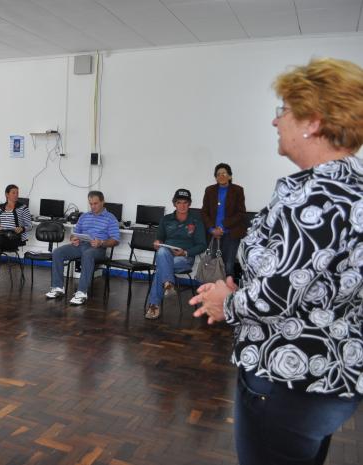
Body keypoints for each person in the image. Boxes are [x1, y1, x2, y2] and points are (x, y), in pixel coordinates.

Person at [191, 57, 363, 465]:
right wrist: (236, 282)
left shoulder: (315, 195)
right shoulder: (351, 185)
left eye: (283, 110)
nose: (275, 121)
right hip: (330, 374)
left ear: (314, 121)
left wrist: (225, 302)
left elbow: (282, 289)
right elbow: (305, 274)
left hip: (288, 376)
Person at [45, 191, 119, 305]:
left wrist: (101, 242)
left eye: (96, 203)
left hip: (98, 249)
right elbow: (74, 233)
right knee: (57, 252)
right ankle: (58, 288)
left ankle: (81, 292)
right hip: (81, 245)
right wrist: (73, 238)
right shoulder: (84, 216)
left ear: (103, 202)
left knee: (88, 254)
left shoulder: (111, 218)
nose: (93, 206)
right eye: (91, 204)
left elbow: (115, 240)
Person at [145, 188, 206, 320]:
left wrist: (185, 252)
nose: (182, 206)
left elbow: (202, 245)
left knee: (160, 270)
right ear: (174, 203)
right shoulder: (166, 219)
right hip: (166, 255)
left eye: (185, 202)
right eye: (179, 202)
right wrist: (157, 242)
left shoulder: (196, 222)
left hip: (184, 258)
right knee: (161, 251)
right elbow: (159, 239)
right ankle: (167, 284)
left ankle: (154, 304)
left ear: (189, 204)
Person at [200, 163, 246, 278]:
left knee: (228, 265)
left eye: (224, 173)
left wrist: (223, 226)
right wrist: (212, 229)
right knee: (213, 264)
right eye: (218, 174)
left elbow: (241, 213)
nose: (221, 176)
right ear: (215, 177)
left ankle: (228, 294)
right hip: (213, 234)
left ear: (230, 176)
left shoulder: (238, 190)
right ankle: (213, 293)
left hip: (231, 233)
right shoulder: (209, 190)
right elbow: (204, 212)